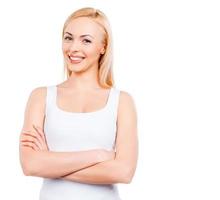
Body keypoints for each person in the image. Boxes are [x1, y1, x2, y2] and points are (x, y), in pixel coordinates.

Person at [19, 7, 138, 200]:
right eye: (68, 38)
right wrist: (98, 156)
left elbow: (123, 172)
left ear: (103, 47)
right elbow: (30, 165)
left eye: (86, 40)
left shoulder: (122, 101)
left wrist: (50, 164)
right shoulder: (40, 97)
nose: (73, 48)